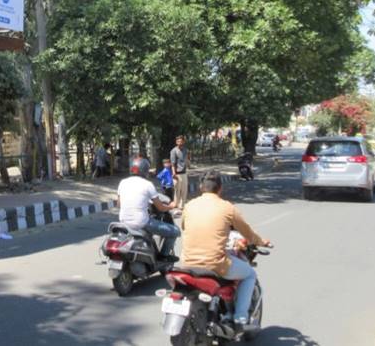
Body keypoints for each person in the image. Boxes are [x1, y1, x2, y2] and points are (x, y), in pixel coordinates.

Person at [181, 170, 272, 333]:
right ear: (220, 189)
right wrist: (260, 241)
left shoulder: (189, 205)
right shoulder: (227, 208)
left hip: (187, 263)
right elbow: (247, 233)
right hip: (214, 264)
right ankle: (240, 318)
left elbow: (184, 226)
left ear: (201, 187)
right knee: (249, 274)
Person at [116, 157, 179, 259]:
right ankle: (163, 256)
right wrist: (171, 206)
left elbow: (119, 204)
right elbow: (161, 208)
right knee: (175, 231)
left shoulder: (122, 182)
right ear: (145, 170)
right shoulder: (148, 185)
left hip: (123, 221)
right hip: (141, 222)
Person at [170, 135, 188, 212]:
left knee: (184, 189)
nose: (179, 143)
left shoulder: (185, 150)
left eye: (181, 141)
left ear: (183, 142)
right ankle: (176, 203)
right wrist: (174, 173)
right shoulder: (173, 151)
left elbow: (186, 159)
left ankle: (182, 204)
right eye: (178, 141)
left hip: (184, 172)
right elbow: (173, 163)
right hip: (177, 173)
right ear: (176, 142)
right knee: (177, 190)